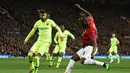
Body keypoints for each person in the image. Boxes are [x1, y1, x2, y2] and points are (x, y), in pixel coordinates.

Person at [64, 4, 109, 73]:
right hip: (85, 47)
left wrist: (92, 54)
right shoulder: (90, 20)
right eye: (85, 21)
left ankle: (103, 64)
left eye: (86, 21)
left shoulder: (90, 30)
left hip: (91, 47)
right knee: (73, 59)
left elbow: (95, 43)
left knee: (83, 61)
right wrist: (80, 8)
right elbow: (89, 14)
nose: (87, 21)